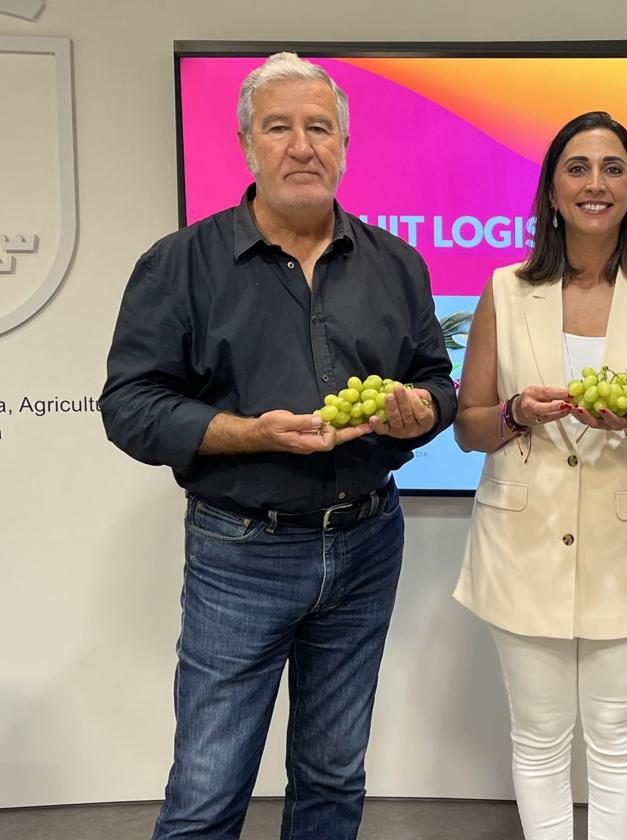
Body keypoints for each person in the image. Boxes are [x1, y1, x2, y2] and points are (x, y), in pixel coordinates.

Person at [99, 52, 456, 840]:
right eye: (280, 128)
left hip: (367, 543)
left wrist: (418, 409)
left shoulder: (396, 264)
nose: (302, 146)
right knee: (207, 786)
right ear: (247, 145)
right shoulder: (180, 264)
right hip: (240, 551)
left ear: (344, 146)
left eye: (319, 128)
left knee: (333, 778)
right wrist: (247, 434)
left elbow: (438, 382)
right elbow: (128, 406)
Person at [451, 111, 627, 840]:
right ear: (552, 193)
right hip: (520, 550)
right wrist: (516, 412)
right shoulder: (504, 290)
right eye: (578, 168)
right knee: (537, 740)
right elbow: (471, 425)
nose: (596, 182)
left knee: (619, 741)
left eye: (613, 169)